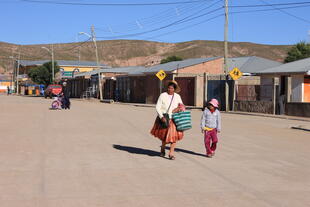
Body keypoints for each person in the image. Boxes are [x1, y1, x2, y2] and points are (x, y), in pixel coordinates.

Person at [150, 80, 184, 160]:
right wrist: (161, 117)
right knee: (165, 137)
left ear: (174, 89)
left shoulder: (177, 96)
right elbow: (158, 107)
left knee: (174, 137)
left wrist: (178, 109)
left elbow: (182, 106)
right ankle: (163, 149)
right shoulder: (162, 95)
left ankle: (171, 153)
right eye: (169, 88)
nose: (170, 90)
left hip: (174, 119)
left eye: (172, 88)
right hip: (165, 118)